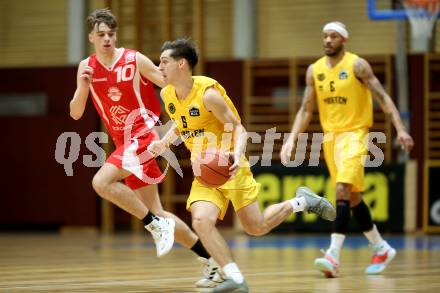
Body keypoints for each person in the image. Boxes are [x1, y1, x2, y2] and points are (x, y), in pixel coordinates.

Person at [147, 38, 336, 293]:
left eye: (164, 62)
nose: (159, 67)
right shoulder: (167, 93)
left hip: (228, 164)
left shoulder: (208, 95)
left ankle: (301, 202)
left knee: (255, 227)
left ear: (182, 64)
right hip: (204, 171)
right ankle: (235, 278)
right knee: (201, 221)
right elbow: (181, 125)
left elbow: (238, 127)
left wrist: (236, 154)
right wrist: (164, 144)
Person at [69, 8, 224, 288]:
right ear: (91, 36)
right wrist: (82, 85)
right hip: (123, 143)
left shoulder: (134, 59)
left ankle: (152, 223)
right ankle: (212, 264)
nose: (107, 39)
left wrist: (192, 94)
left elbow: (168, 82)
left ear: (116, 35)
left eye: (111, 34)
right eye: (101, 34)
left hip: (144, 134)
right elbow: (76, 113)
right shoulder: (87, 67)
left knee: (101, 182)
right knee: (161, 213)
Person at [280, 21, 414, 277]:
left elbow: (384, 98)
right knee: (353, 197)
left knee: (341, 190)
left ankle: (333, 256)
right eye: (325, 36)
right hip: (331, 139)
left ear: (344, 40)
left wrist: (401, 128)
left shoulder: (357, 65)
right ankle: (380, 246)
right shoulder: (314, 70)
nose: (328, 40)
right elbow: (306, 109)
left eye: (333, 36)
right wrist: (291, 139)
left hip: (355, 134)